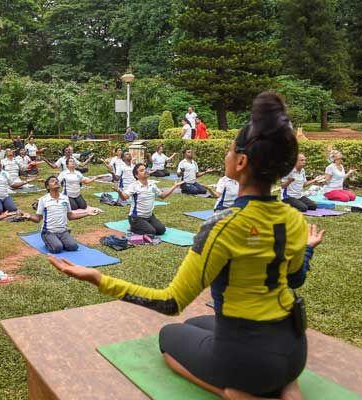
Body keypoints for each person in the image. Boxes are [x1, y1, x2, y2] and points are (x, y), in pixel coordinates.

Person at [49, 92, 325, 399]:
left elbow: (170, 303)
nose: (226, 157)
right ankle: (287, 385)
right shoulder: (294, 218)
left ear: (242, 162)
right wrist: (307, 248)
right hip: (294, 348)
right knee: (196, 323)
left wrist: (99, 279)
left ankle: (237, 393)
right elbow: (296, 279)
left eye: (230, 151)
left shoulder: (224, 225)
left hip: (250, 362)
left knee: (169, 337)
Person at [20, 176, 100, 253]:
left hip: (62, 231)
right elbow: (38, 219)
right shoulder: (43, 200)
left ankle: (59, 239)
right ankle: (49, 239)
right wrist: (29, 217)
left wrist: (88, 213)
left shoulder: (65, 198)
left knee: (73, 247)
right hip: (48, 231)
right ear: (48, 187)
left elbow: (70, 216)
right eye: (52, 181)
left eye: (57, 180)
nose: (56, 182)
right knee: (57, 248)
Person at [116, 163, 182, 235]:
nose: (145, 171)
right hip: (136, 218)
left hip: (149, 216)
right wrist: (120, 192)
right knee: (151, 232)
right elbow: (124, 197)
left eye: (145, 169)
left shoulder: (152, 185)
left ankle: (144, 225)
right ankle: (133, 228)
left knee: (161, 230)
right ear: (136, 175)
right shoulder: (134, 186)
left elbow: (162, 196)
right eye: (142, 170)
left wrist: (174, 186)